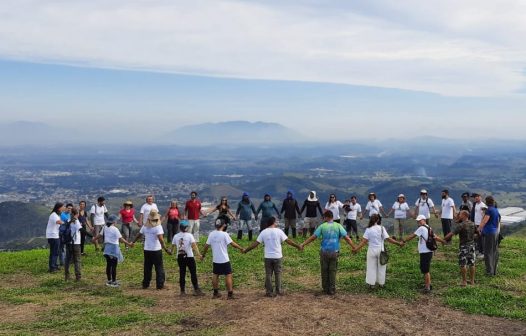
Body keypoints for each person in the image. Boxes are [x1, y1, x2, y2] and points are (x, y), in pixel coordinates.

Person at [244, 216, 302, 297]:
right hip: (278, 256)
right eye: (276, 221)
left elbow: (255, 244)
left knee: (268, 274)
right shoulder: (279, 231)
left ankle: (269, 292)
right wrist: (298, 246)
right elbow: (288, 241)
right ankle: (278, 290)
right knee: (278, 274)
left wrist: (246, 250)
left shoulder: (263, 232)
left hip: (268, 256)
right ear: (274, 222)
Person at [301, 210, 356, 295]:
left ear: (326, 217)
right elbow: (347, 238)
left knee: (324, 270)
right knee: (332, 271)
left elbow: (313, 237)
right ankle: (332, 289)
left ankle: (325, 288)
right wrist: (354, 247)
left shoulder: (322, 226)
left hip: (324, 251)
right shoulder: (338, 226)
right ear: (332, 217)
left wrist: (303, 244)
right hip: (334, 251)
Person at [352, 214, 403, 289]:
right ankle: (381, 283)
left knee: (371, 267)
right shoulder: (382, 228)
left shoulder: (368, 229)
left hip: (371, 250)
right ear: (378, 220)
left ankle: (372, 284)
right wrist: (398, 243)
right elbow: (388, 239)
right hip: (381, 250)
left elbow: (364, 241)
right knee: (382, 267)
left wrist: (356, 249)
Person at [201, 218, 245, 299]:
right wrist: (241, 248)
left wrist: (203, 255)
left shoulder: (211, 234)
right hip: (224, 259)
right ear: (223, 225)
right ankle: (230, 294)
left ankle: (215, 293)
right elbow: (232, 244)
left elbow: (206, 246)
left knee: (215, 275)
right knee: (228, 275)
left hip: (215, 259)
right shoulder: (224, 234)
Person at [402, 215, 446, 293]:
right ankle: (428, 284)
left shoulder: (421, 228)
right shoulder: (429, 228)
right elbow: (435, 237)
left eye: (420, 220)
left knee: (425, 269)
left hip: (425, 251)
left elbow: (412, 236)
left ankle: (427, 287)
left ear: (424, 220)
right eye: (418, 221)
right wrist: (442, 241)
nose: (418, 222)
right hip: (429, 251)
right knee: (425, 268)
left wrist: (404, 241)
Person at [133, 209, 172, 290]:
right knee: (159, 267)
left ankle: (145, 284)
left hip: (147, 250)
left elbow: (139, 235)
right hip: (156, 250)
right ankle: (160, 285)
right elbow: (161, 239)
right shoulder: (158, 227)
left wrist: (133, 242)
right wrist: (165, 249)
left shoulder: (145, 226)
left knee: (147, 267)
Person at [93, 215, 134, 287]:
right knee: (114, 266)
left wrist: (94, 239)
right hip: (114, 248)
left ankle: (109, 280)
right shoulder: (115, 229)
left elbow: (99, 235)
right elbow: (121, 239)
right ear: (114, 221)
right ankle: (114, 282)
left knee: (109, 265)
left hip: (106, 248)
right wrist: (129, 244)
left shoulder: (105, 227)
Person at [444, 210, 479, 286]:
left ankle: (464, 281)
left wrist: (444, 239)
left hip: (464, 246)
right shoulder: (472, 223)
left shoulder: (461, 225)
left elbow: (451, 234)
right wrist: (473, 238)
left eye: (460, 214)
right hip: (472, 245)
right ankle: (472, 281)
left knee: (463, 264)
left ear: (464, 215)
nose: (459, 215)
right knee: (472, 263)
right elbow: (478, 233)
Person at [170, 220, 204, 296]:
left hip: (180, 257)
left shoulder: (176, 236)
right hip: (189, 256)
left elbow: (172, 247)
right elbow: (194, 246)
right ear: (186, 228)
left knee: (182, 273)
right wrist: (199, 255)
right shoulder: (189, 235)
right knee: (193, 273)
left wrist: (170, 252)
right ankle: (196, 290)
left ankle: (182, 291)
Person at [478, 196, 500, 276]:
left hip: (488, 233)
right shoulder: (495, 210)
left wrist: (478, 229)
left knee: (487, 252)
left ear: (487, 202)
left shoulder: (489, 210)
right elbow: (497, 223)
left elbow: (484, 221)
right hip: (494, 232)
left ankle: (489, 271)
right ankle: (494, 270)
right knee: (494, 251)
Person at [64, 208, 82, 281]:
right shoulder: (76, 221)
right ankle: (78, 277)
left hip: (68, 242)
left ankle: (67, 276)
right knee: (77, 260)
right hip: (76, 243)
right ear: (77, 213)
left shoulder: (69, 220)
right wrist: (92, 236)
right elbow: (81, 230)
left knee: (67, 260)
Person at [46, 202, 65, 273]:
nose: (63, 208)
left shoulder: (56, 215)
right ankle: (52, 267)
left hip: (54, 235)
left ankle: (54, 265)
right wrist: (66, 223)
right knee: (54, 252)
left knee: (54, 251)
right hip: (53, 236)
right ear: (59, 208)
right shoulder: (54, 215)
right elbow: (58, 222)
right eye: (62, 207)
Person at [470, 193, 487, 258]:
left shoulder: (483, 205)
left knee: (481, 238)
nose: (475, 198)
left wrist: (482, 225)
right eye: (474, 198)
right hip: (476, 223)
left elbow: (484, 216)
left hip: (480, 224)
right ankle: (478, 250)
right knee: (476, 238)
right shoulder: (475, 204)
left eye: (476, 197)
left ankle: (482, 252)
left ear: (480, 197)